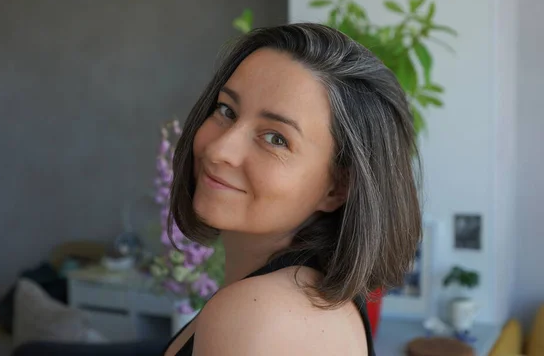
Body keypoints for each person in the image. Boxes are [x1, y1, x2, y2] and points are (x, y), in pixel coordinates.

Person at [162, 23, 422, 355]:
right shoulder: (299, 299)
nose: (219, 150)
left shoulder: (257, 316)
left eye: (275, 138)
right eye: (226, 110)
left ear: (337, 188)